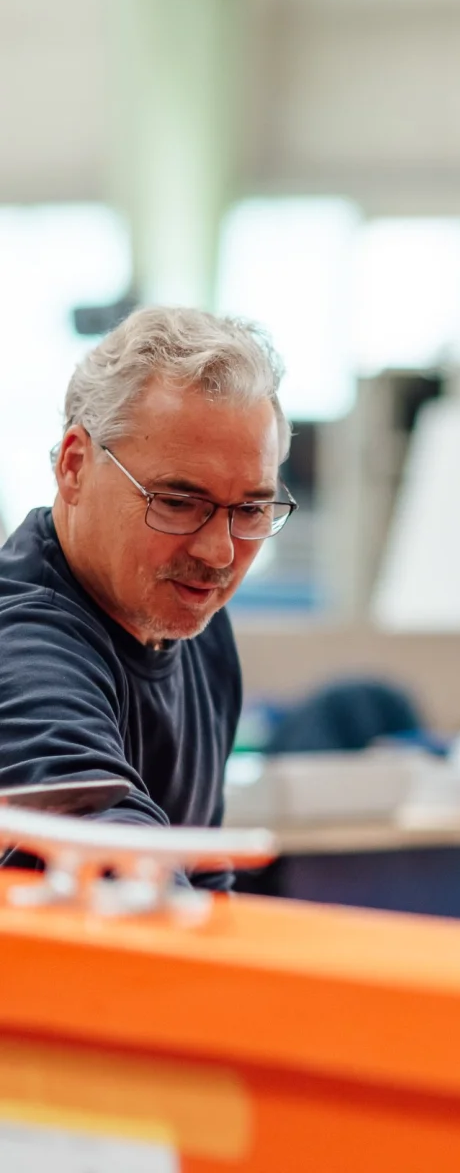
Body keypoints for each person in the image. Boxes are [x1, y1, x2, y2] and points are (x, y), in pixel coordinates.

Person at [0, 306, 295, 889]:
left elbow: (199, 877)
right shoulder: (21, 642)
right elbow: (112, 852)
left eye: (251, 509)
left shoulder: (195, 624)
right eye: (178, 502)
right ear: (74, 466)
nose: (219, 552)